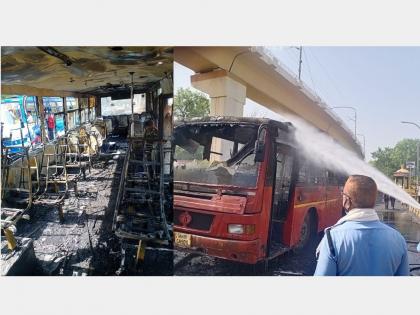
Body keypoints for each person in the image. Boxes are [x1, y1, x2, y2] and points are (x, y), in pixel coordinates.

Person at [314, 175, 409, 276]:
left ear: (346, 200)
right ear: (373, 200)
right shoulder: (398, 239)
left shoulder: (332, 239)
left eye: (343, 194)